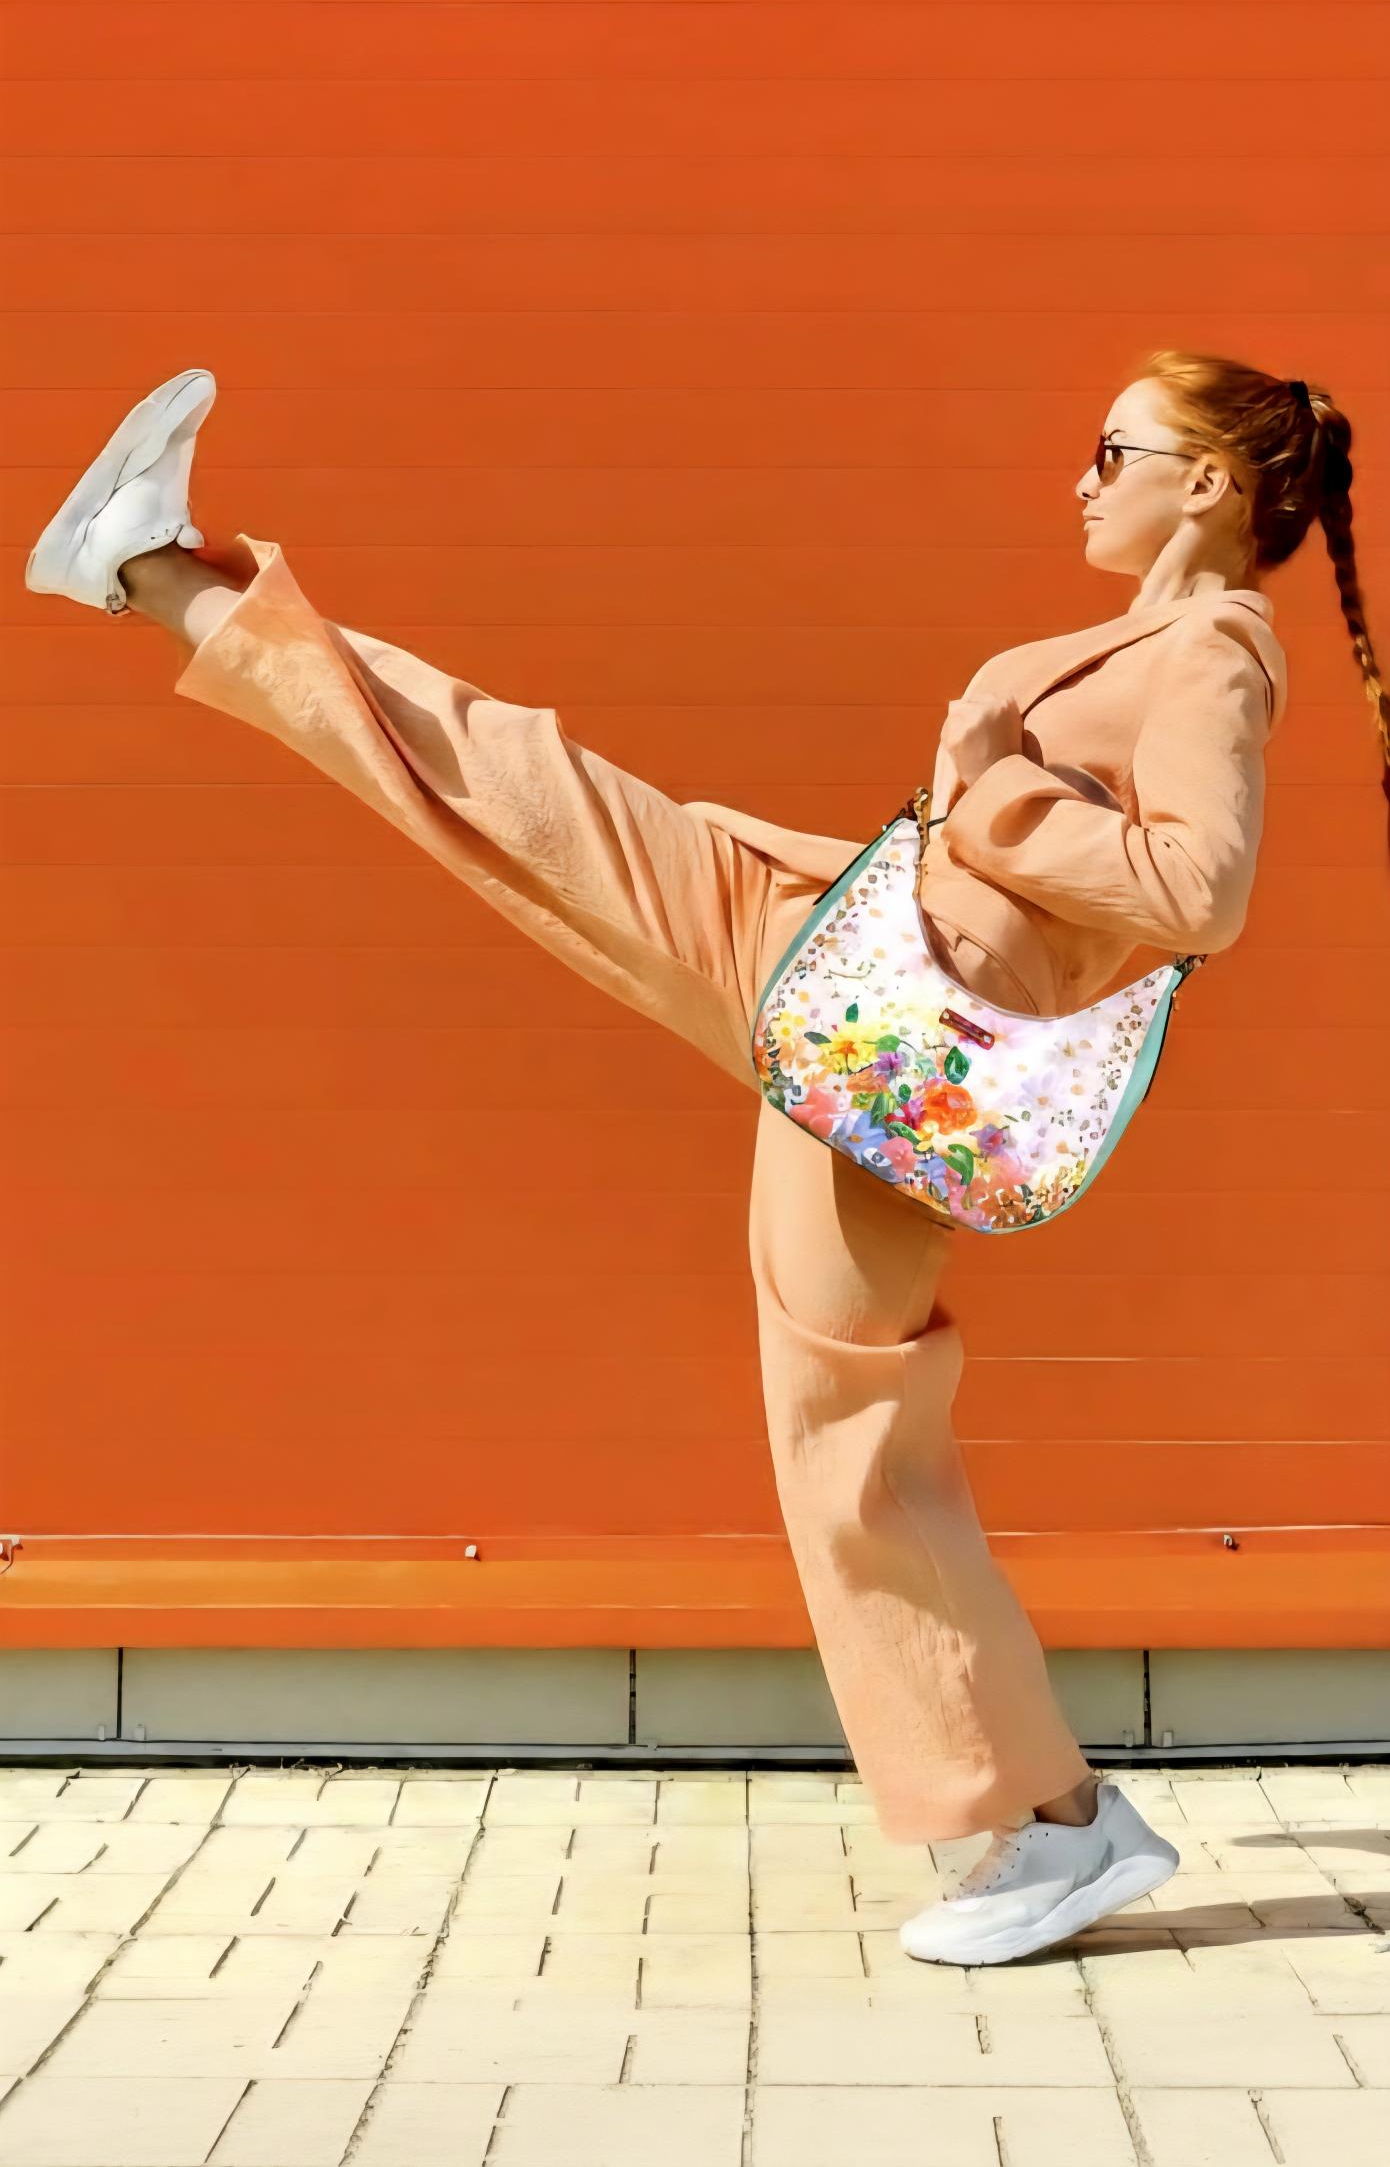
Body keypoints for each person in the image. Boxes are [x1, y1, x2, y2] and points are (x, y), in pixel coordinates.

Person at [24, 353, 1387, 1965]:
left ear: (1209, 483)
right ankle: (157, 574)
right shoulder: (1148, 640)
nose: (1079, 480)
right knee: (525, 787)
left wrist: (994, 784)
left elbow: (1200, 889)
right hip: (840, 951)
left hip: (902, 1044)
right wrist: (979, 791)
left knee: (852, 1439)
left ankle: (1056, 1817)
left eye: (1111, 450)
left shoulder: (1212, 648)